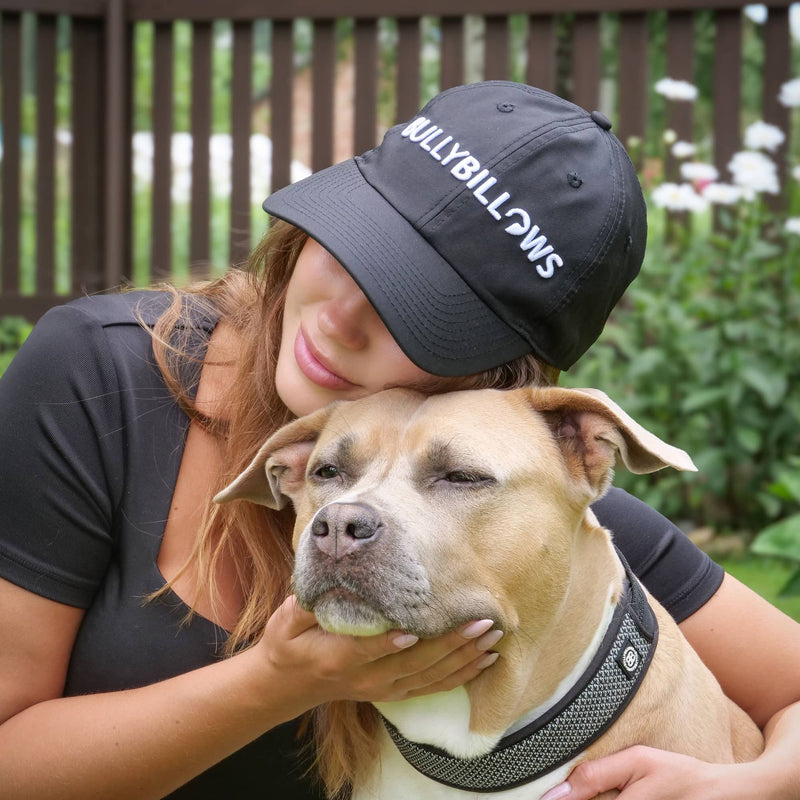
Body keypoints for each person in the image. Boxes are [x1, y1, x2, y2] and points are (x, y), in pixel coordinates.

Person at [0, 81, 797, 800]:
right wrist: (277, 683)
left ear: (500, 378)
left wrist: (754, 784)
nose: (338, 315)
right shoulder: (97, 378)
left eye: (415, 307)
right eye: (349, 243)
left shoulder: (521, 492)